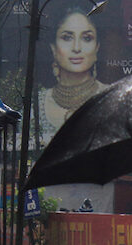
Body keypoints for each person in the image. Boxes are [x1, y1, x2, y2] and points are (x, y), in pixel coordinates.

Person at [38, 4, 108, 144]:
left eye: (87, 38)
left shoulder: (110, 99)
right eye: (67, 38)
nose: (77, 48)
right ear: (53, 48)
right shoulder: (36, 107)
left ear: (97, 47)